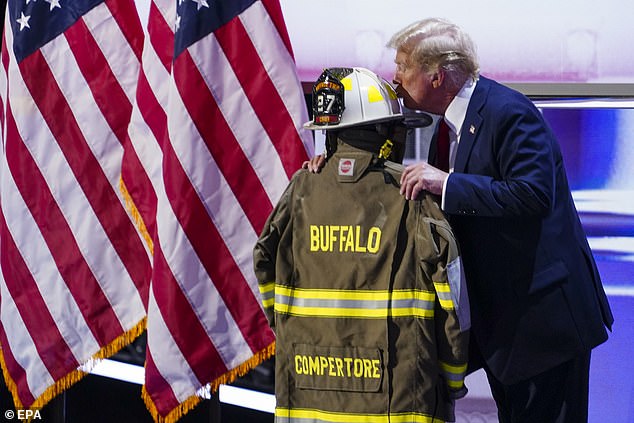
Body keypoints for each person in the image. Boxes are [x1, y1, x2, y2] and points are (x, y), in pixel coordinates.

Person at [305, 17, 614, 423]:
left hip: (543, 325)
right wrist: (335, 169)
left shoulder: (509, 112)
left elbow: (534, 194)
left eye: (402, 66)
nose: (394, 78)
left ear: (436, 75)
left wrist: (448, 183)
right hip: (505, 327)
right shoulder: (446, 125)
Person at [254, 67, 470, 423]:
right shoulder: (413, 197)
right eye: (396, 128)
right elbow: (453, 299)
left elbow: (263, 260)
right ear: (382, 132)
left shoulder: (300, 190)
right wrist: (452, 376)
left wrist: (291, 329)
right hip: (401, 402)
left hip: (306, 395)